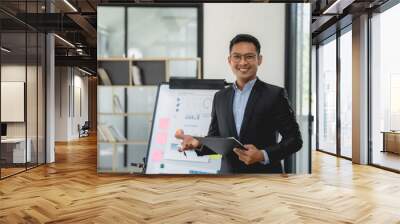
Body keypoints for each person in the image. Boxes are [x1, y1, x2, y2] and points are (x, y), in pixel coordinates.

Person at [175, 34, 302, 173]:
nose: (242, 62)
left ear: (259, 60)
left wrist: (262, 155)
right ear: (229, 60)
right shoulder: (220, 97)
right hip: (228, 179)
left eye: (249, 56)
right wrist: (198, 143)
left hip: (265, 179)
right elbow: (216, 139)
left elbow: (294, 140)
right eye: (237, 57)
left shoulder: (275, 95)